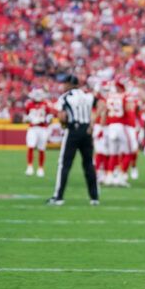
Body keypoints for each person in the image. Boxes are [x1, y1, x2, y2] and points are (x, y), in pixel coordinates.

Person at [46, 75, 99, 206]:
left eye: (65, 83)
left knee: (64, 164)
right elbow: (101, 105)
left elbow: (62, 116)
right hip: (87, 131)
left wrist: (63, 124)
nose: (63, 86)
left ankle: (58, 196)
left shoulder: (65, 97)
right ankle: (94, 197)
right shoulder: (88, 95)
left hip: (73, 130)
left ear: (69, 84)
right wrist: (92, 123)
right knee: (88, 164)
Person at [24, 88, 54, 177]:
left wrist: (47, 119)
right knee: (30, 146)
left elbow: (50, 117)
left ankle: (40, 168)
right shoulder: (29, 104)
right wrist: (28, 119)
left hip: (42, 128)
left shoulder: (46, 104)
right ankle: (30, 166)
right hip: (32, 128)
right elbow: (26, 117)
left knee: (41, 149)